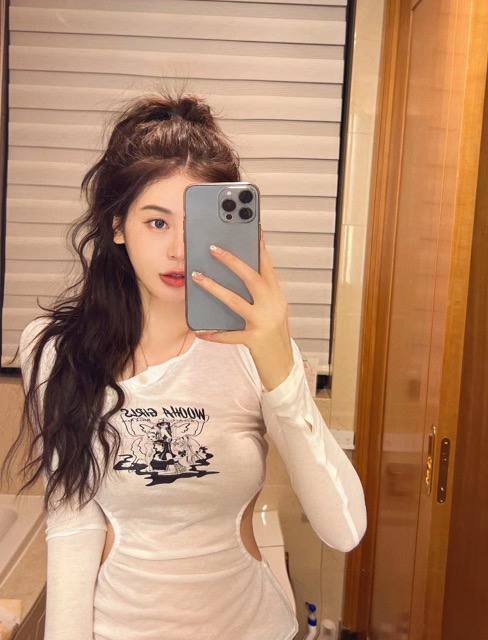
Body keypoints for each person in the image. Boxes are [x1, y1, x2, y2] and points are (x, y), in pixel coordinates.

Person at [3, 89, 367, 640]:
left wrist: (277, 356)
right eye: (157, 222)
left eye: (197, 224)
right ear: (117, 226)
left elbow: (343, 528)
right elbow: (72, 524)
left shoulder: (256, 350)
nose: (178, 249)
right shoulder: (58, 350)